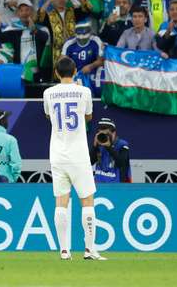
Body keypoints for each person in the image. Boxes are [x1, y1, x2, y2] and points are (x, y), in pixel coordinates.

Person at [43, 56, 105, 261]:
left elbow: (49, 117)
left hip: (58, 153)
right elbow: (88, 117)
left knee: (61, 201)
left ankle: (64, 250)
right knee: (87, 200)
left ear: (56, 73)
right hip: (79, 154)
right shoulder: (84, 92)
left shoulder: (48, 93)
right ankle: (89, 250)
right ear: (76, 70)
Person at [90, 118, 131, 183]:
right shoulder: (99, 143)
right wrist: (94, 147)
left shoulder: (122, 145)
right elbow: (90, 162)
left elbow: (122, 164)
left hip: (116, 186)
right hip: (99, 185)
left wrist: (109, 147)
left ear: (114, 133)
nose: (105, 136)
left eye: (107, 134)